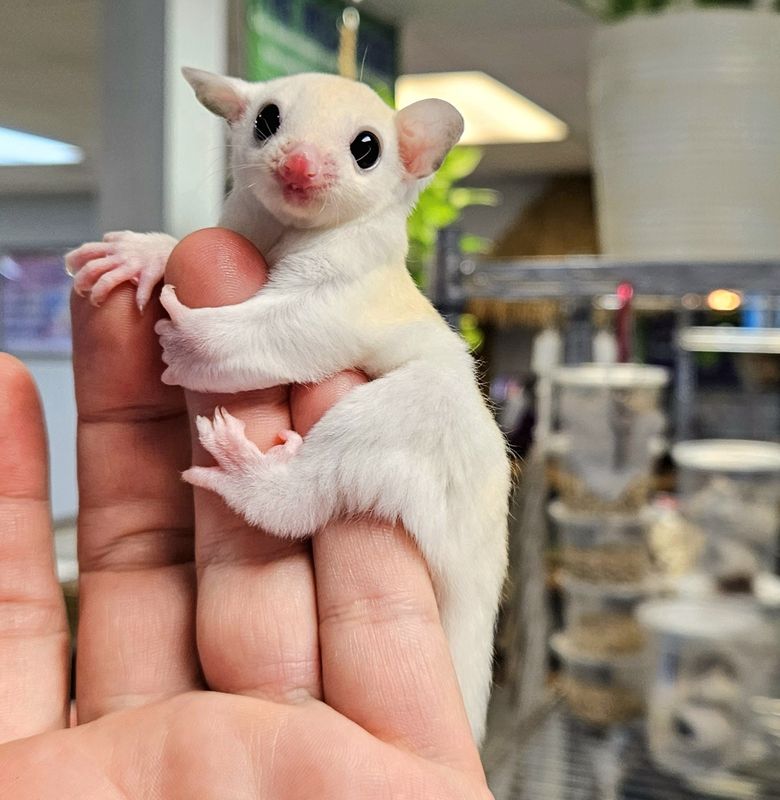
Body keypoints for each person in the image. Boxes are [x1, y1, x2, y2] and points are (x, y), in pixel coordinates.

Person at [0, 229, 493, 799]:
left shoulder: (360, 255)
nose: (302, 165)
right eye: (265, 129)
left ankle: (285, 492)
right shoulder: (264, 229)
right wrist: (168, 261)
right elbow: (251, 285)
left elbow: (295, 339)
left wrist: (203, 344)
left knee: (421, 395)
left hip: (429, 460)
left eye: (361, 148)